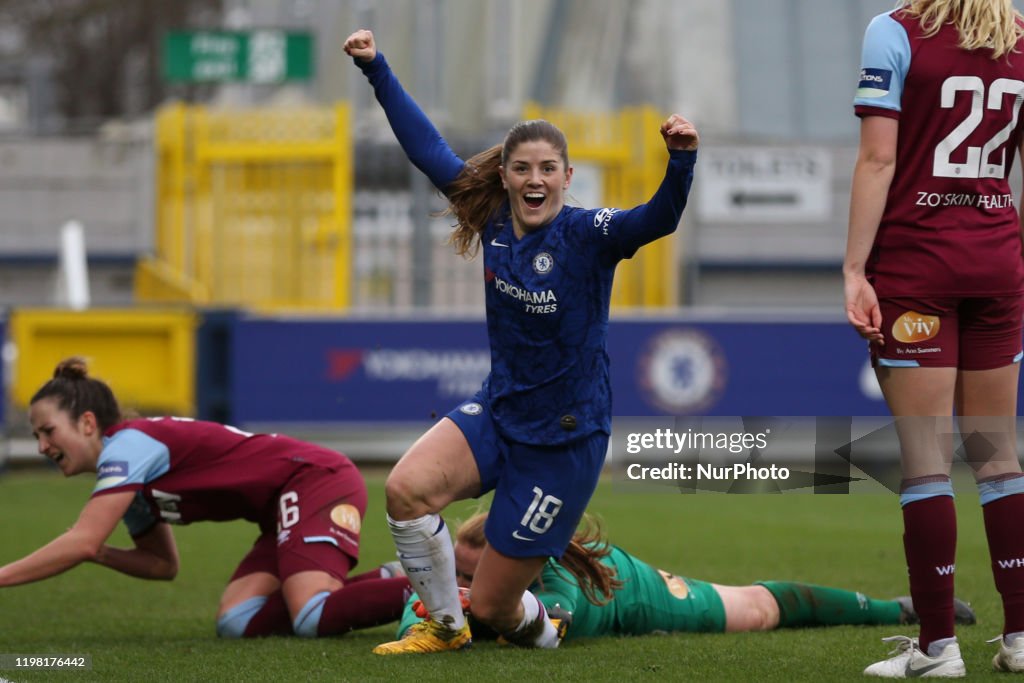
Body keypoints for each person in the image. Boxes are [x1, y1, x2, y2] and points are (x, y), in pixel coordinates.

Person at [343, 28, 698, 655]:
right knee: (404, 489)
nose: (535, 179)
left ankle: (541, 629)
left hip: (563, 441)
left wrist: (682, 159)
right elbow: (427, 149)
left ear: (566, 177)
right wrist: (375, 67)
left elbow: (658, 218)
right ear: (504, 176)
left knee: (498, 607)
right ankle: (444, 627)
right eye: (522, 168)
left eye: (547, 169)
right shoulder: (493, 220)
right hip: (501, 412)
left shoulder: (591, 234)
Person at [845, 0, 1024, 676]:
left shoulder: (894, 30)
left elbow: (877, 160)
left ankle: (938, 645)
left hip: (918, 267)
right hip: (996, 265)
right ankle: (1020, 636)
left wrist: (854, 268)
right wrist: (1010, 254)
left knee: (926, 460)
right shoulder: (1021, 38)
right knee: (998, 455)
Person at [0, 358, 411, 639]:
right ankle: (392, 581)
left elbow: (83, 537)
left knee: (311, 614)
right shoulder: (130, 475)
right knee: (237, 621)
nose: (40, 446)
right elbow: (162, 565)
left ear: (87, 422)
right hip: (281, 509)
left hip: (315, 480)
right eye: (36, 435)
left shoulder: (127, 448)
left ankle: (441, 590)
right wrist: (98, 553)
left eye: (47, 431)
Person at [396, 512, 977, 641]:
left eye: (473, 577)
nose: (462, 588)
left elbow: (558, 625)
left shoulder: (553, 575)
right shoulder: (458, 571)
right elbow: (419, 604)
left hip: (636, 594)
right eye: (460, 578)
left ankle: (895, 608)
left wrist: (473, 612)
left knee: (757, 610)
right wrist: (423, 615)